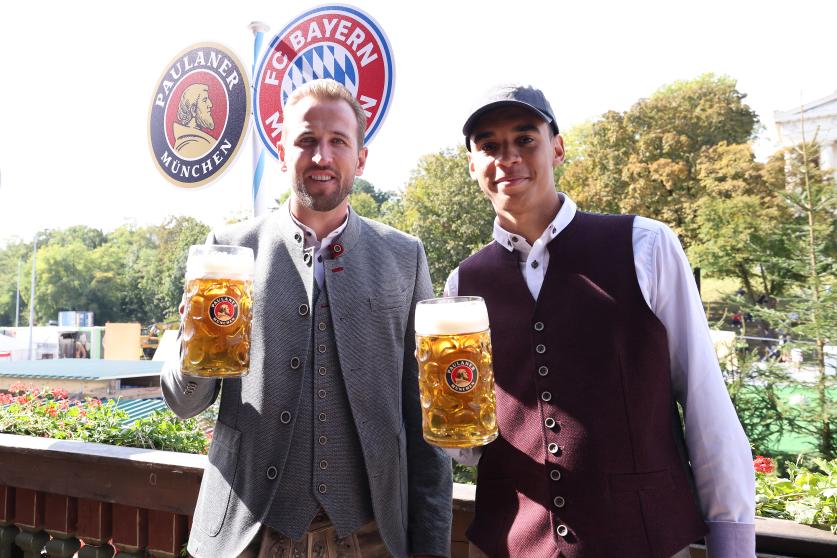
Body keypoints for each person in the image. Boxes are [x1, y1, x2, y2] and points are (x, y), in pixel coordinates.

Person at [445, 84, 755, 557]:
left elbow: (705, 401)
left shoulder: (646, 246)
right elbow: (471, 448)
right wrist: (450, 427)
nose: (506, 157)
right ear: (472, 165)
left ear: (558, 147)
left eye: (525, 138)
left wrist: (733, 544)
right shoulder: (461, 285)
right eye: (488, 145)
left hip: (641, 542)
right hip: (506, 545)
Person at [162, 79, 452, 558]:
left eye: (338, 140)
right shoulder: (229, 251)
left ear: (361, 157)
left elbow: (425, 424)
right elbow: (185, 403)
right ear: (282, 152)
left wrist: (431, 549)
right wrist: (191, 346)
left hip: (372, 536)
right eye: (306, 141)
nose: (321, 156)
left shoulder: (405, 257)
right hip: (247, 535)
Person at [173, 83, 217, 158]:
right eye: (205, 100)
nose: (210, 104)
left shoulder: (198, 140)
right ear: (193, 110)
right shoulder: (188, 145)